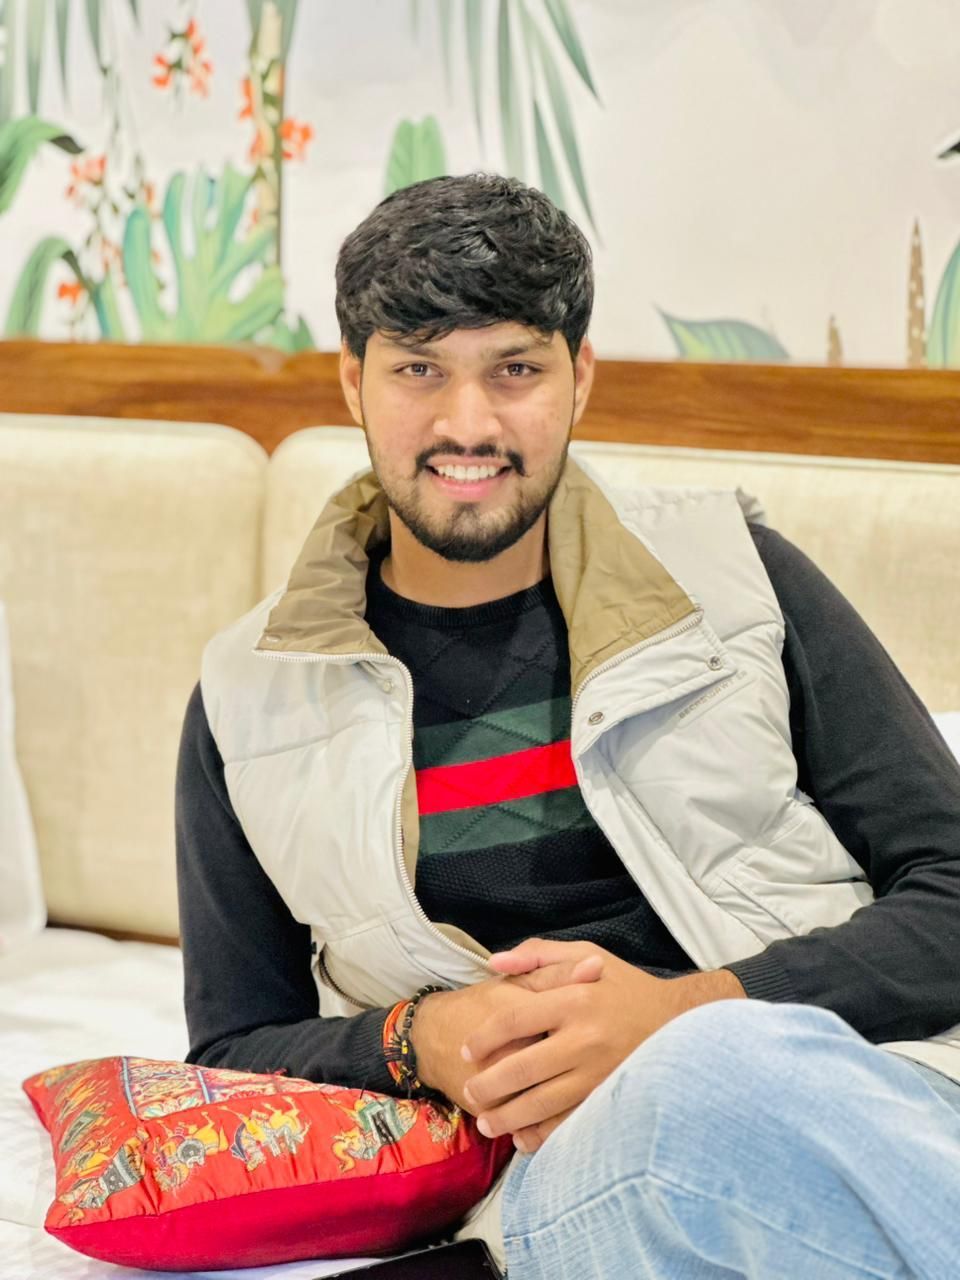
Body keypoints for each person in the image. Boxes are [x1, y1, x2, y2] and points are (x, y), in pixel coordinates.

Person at [175, 173, 960, 1279]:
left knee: (718, 1072)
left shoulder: (740, 584)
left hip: (844, 1096)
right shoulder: (247, 697)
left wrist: (686, 1011)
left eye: (516, 369)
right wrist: (418, 1040)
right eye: (417, 369)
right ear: (351, 381)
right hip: (557, 1178)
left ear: (580, 376)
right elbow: (229, 1051)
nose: (468, 424)